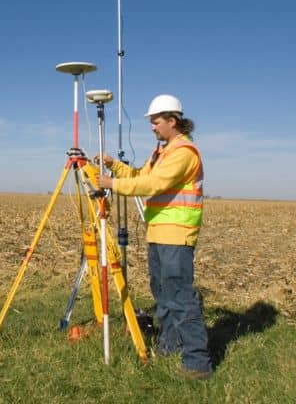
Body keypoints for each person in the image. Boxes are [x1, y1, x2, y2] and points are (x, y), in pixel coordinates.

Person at [94, 94, 213, 380]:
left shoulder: (184, 152)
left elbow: (153, 184)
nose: (152, 127)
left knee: (180, 297)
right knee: (162, 293)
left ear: (172, 121)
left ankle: (197, 363)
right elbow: (139, 175)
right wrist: (114, 166)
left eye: (156, 122)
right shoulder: (161, 152)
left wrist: (112, 184)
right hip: (158, 232)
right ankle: (170, 347)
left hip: (177, 234)